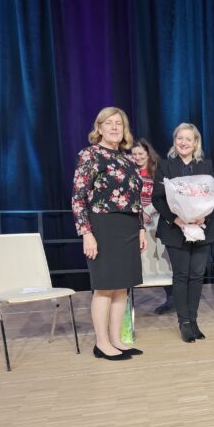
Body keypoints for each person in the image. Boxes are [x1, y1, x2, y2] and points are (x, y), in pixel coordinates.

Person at [71, 107, 147, 360]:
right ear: (99, 128)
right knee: (104, 287)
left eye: (119, 124)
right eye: (109, 123)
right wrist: (86, 233)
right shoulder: (90, 155)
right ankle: (101, 344)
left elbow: (136, 199)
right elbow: (78, 197)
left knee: (122, 287)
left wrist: (140, 229)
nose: (115, 127)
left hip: (128, 227)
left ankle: (116, 339)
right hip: (102, 226)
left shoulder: (128, 159)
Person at [151, 123, 214, 342]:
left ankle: (194, 320)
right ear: (174, 141)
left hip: (201, 228)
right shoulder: (165, 165)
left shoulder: (206, 165)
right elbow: (157, 198)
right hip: (175, 229)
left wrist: (203, 217)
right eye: (179, 138)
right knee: (181, 275)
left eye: (188, 139)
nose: (183, 142)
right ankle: (184, 323)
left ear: (195, 142)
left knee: (197, 275)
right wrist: (176, 219)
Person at [131, 138, 175, 314]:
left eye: (141, 153)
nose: (137, 157)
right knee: (140, 262)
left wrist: (148, 210)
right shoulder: (128, 171)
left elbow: (164, 196)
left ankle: (172, 300)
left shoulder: (157, 171)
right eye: (134, 154)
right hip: (135, 222)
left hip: (156, 221)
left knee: (163, 262)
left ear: (148, 154)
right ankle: (125, 306)